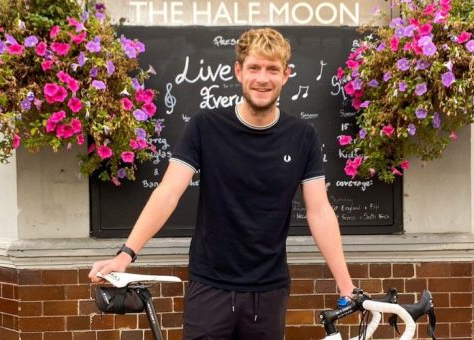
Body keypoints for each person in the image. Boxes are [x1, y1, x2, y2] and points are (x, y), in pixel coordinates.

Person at [89, 27, 355, 339]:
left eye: (272, 69)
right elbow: (169, 192)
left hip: (268, 291)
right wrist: (126, 254)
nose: (262, 78)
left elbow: (319, 211)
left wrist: (345, 283)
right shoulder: (205, 127)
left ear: (286, 75)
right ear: (239, 71)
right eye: (254, 67)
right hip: (210, 286)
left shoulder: (303, 136)